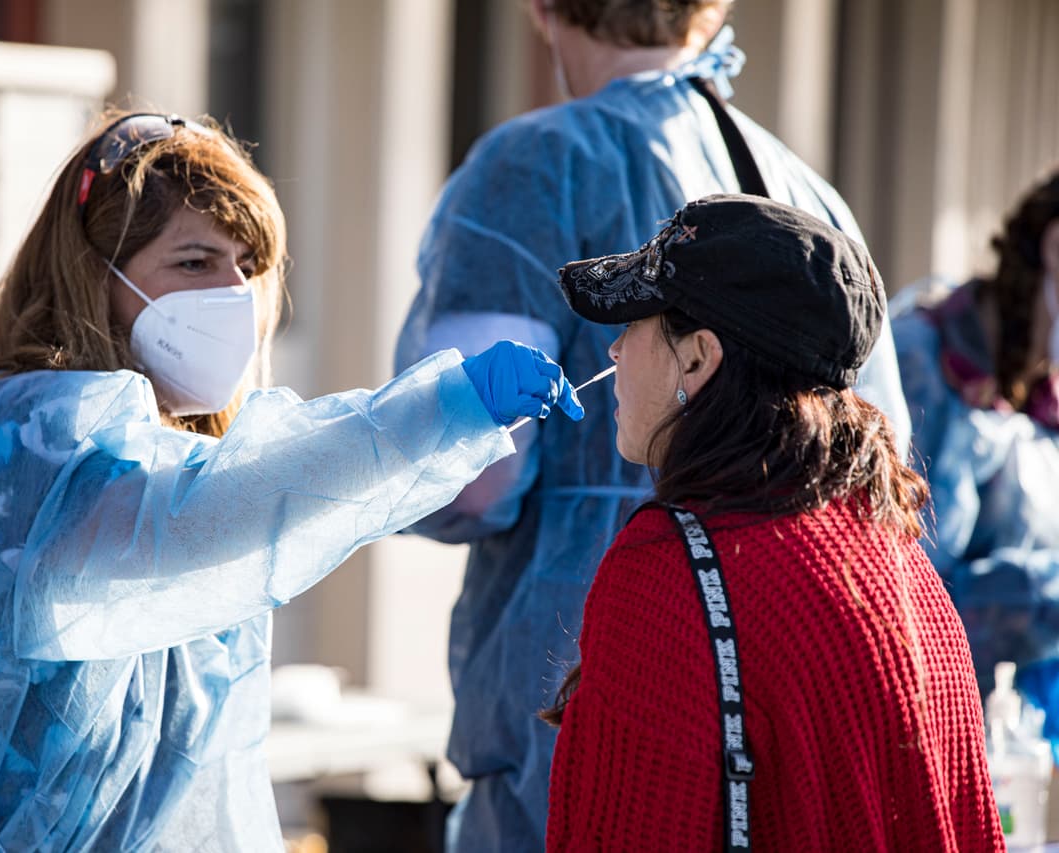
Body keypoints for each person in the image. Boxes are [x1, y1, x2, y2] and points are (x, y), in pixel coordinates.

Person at [0, 110, 584, 851]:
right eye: (195, 261)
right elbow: (199, 514)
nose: (232, 293)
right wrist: (438, 412)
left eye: (247, 265)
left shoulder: (152, 442)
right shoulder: (24, 433)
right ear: (93, 275)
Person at [392, 1, 912, 847]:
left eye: (635, 325)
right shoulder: (811, 196)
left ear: (545, 9)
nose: (617, 348)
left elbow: (471, 480)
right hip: (787, 732)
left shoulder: (532, 164)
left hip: (574, 729)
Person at [544, 193, 1002, 850]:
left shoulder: (670, 571)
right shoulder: (902, 561)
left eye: (636, 321)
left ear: (698, 357)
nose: (614, 349)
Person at [891, 168, 1059, 729]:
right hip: (915, 717)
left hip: (1002, 734)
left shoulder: (1040, 397)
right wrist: (1032, 599)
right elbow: (899, 588)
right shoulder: (919, 362)